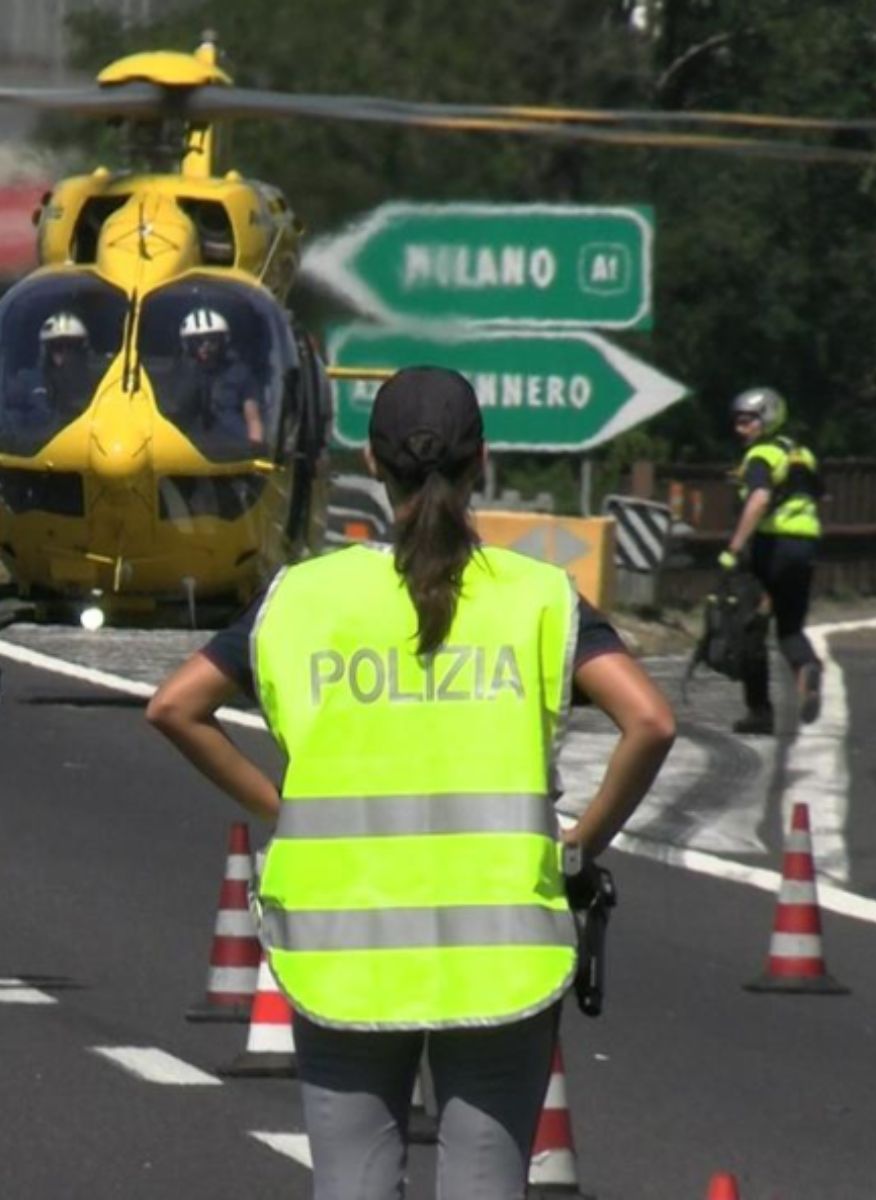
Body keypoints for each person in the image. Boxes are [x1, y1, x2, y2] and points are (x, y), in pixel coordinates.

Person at [146, 365, 675, 1200]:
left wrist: (282, 811)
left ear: (371, 458)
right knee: (484, 1181)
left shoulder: (301, 598)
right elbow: (650, 721)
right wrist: (582, 845)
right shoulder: (537, 597)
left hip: (340, 942)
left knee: (351, 1182)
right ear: (484, 462)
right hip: (502, 943)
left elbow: (176, 707)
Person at [719, 386, 823, 735]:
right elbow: (818, 492)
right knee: (790, 628)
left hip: (772, 545)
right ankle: (807, 667)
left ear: (766, 419)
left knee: (751, 629)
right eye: (737, 421)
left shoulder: (761, 456)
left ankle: (760, 712)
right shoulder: (801, 454)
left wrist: (734, 547)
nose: (740, 428)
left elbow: (760, 498)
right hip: (805, 545)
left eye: (747, 421)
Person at [171, 307, 265, 450]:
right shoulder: (182, 375)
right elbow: (175, 415)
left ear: (223, 341)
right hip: (189, 450)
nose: (205, 347)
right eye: (197, 342)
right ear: (188, 345)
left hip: (233, 449)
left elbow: (253, 417)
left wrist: (255, 447)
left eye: (212, 340)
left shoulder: (240, 373)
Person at [2, 312, 96, 451]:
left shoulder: (96, 383)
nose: (64, 354)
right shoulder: (28, 381)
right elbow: (7, 417)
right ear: (46, 351)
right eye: (57, 347)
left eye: (71, 347)